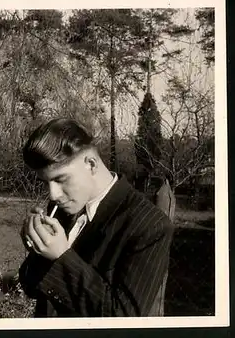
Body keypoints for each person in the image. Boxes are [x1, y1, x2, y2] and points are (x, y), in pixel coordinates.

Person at [18, 118, 174, 317]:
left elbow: (123, 317)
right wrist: (37, 249)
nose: (53, 194)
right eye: (46, 182)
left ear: (91, 164)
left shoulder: (149, 226)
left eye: (60, 179)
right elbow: (31, 286)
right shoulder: (61, 208)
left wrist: (61, 257)